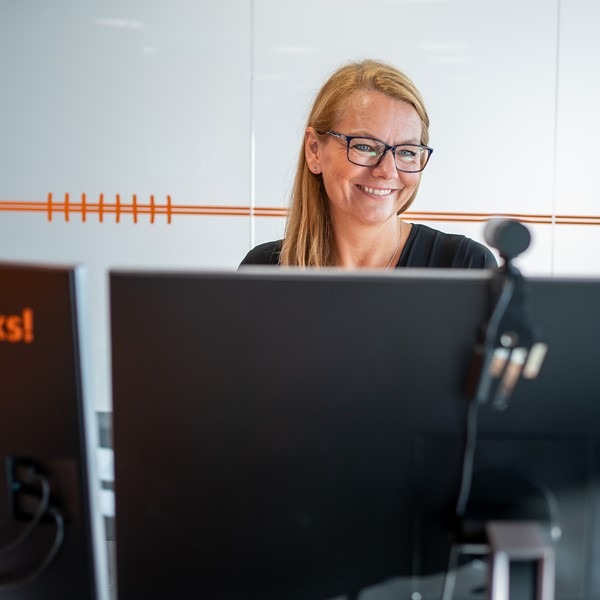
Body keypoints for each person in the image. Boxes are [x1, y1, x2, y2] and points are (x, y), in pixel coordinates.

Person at [240, 59, 496, 269]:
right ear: (314, 150)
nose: (387, 171)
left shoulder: (466, 265)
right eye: (364, 146)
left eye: (407, 152)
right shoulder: (264, 270)